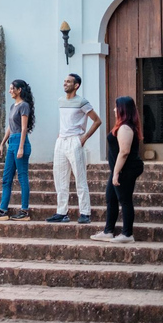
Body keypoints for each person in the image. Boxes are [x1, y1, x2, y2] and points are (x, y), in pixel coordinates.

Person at [46, 73, 102, 224]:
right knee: (60, 178)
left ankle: (85, 212)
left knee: (80, 177)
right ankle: (61, 212)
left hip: (75, 141)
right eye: (64, 81)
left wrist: (84, 138)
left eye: (68, 82)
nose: (65, 83)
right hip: (61, 141)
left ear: (76, 85)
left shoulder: (82, 102)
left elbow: (97, 121)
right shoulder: (60, 101)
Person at [90, 96, 144, 243]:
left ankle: (127, 234)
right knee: (111, 198)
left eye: (116, 107)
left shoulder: (125, 127)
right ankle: (108, 231)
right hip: (119, 169)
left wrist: (116, 173)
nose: (114, 109)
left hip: (126, 169)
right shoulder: (122, 126)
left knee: (124, 200)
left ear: (122, 109)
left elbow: (124, 151)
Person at [0, 79, 35, 221]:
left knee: (22, 177)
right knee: (6, 179)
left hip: (21, 143)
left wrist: (20, 147)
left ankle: (24, 211)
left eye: (12, 88)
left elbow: (24, 128)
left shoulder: (24, 105)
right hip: (12, 142)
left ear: (19, 90)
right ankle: (2, 210)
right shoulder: (14, 106)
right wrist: (2, 143)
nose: (10, 91)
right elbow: (10, 127)